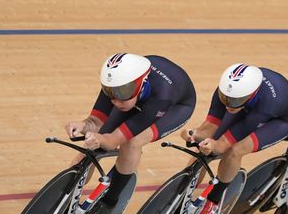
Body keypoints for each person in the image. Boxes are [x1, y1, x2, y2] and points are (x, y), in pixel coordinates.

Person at [65, 53, 196, 213]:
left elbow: (113, 140)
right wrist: (83, 125)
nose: (115, 101)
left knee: (132, 143)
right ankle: (64, 194)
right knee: (92, 144)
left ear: (142, 84)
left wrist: (102, 139)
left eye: (120, 95)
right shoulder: (116, 85)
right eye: (110, 93)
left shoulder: (162, 96)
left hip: (175, 107)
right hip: (138, 98)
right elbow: (96, 122)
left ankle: (110, 201)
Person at [180, 63, 288, 214]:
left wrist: (212, 146)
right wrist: (194, 134)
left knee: (234, 151)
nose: (229, 104)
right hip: (247, 105)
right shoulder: (227, 93)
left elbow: (224, 144)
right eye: (225, 98)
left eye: (234, 100)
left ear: (252, 94)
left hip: (279, 120)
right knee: (205, 146)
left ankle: (214, 201)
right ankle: (181, 194)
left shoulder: (267, 105)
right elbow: (210, 126)